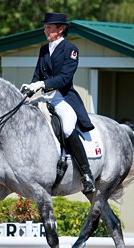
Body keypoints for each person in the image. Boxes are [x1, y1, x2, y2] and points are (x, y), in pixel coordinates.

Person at [21, 12, 95, 193]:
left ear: (60, 29)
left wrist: (42, 84)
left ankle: (86, 174)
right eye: (45, 27)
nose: (45, 31)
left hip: (63, 97)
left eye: (49, 28)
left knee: (68, 128)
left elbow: (64, 78)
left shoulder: (71, 49)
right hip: (45, 97)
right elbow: (37, 73)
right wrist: (31, 86)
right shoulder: (44, 50)